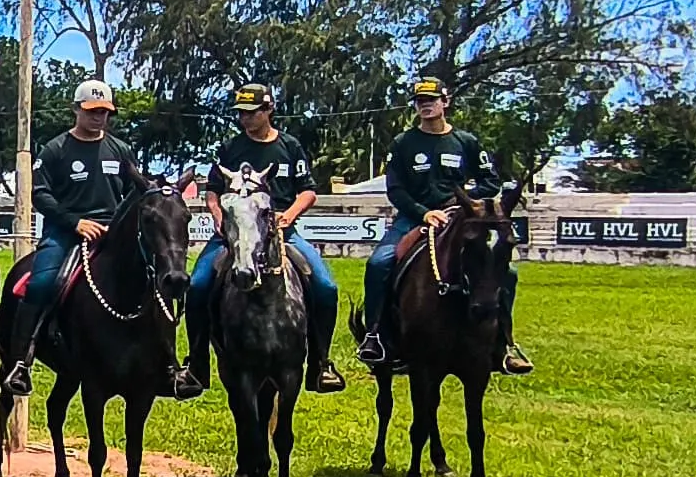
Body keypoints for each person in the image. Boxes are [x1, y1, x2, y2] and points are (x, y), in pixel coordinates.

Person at [360, 76, 533, 376]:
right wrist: (423, 212)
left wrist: (462, 203)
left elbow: (489, 181)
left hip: (460, 218)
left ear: (445, 102)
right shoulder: (403, 144)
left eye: (431, 99)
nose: (426, 105)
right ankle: (377, 335)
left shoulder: (466, 142)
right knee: (379, 263)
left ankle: (504, 343)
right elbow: (396, 189)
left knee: (508, 273)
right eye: (420, 101)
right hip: (413, 219)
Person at [189, 83, 350, 393]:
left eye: (252, 113)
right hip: (234, 236)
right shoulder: (229, 149)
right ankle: (196, 365)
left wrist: (288, 216)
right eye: (241, 114)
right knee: (197, 287)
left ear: (269, 110)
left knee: (326, 287)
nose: (245, 119)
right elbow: (212, 191)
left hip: (283, 235)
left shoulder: (290, 147)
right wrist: (219, 217)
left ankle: (321, 363)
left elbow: (308, 191)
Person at [0, 79, 145, 400]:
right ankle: (20, 362)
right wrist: (75, 222)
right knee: (40, 283)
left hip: (112, 233)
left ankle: (164, 363)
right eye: (92, 112)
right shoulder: (55, 150)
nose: (98, 118)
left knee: (155, 276)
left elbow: (136, 192)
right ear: (75, 110)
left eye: (104, 112)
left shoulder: (121, 151)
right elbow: (40, 194)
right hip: (65, 231)